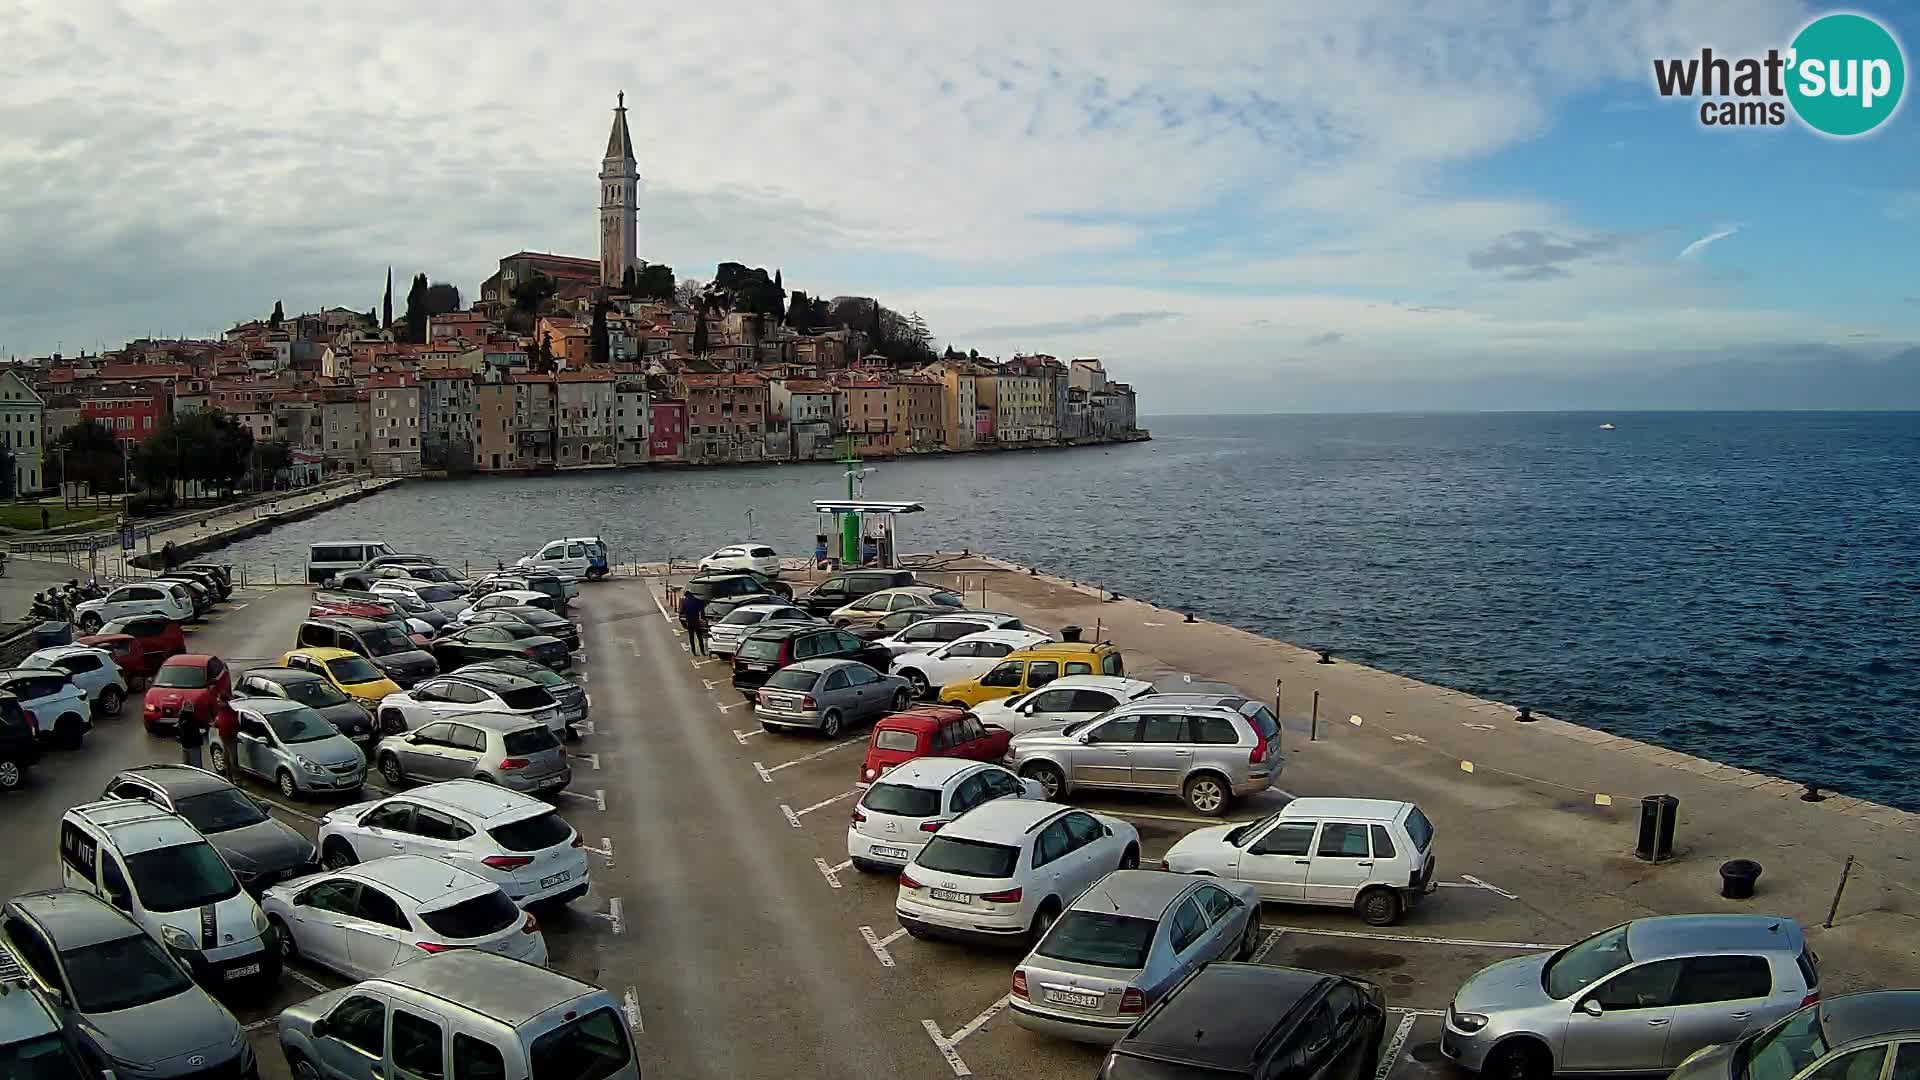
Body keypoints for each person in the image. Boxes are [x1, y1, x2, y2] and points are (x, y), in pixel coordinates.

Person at [677, 587, 709, 655]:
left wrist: (685, 613)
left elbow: (681, 611)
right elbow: (702, 606)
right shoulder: (696, 600)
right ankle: (702, 651)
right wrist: (703, 616)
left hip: (689, 622)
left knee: (691, 637)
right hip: (696, 621)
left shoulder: (685, 602)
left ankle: (694, 651)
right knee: (699, 637)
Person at [213, 700, 239, 779]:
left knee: (232, 758)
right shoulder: (221, 711)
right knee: (228, 757)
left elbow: (236, 724)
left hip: (230, 736)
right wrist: (215, 724)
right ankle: (231, 777)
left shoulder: (230, 712)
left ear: (224, 702)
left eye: (220, 701)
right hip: (225, 736)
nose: (218, 703)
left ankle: (235, 777)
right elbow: (218, 722)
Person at [176, 703, 205, 768]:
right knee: (196, 765)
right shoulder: (193, 717)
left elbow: (180, 730)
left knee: (186, 764)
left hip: (185, 744)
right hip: (193, 744)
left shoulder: (182, 717)